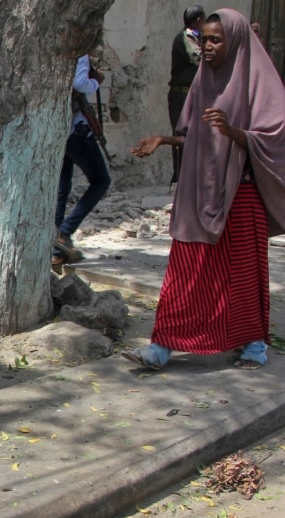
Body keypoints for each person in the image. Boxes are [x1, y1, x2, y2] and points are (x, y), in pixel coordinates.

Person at [125, 8, 285, 371]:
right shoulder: (203, 79)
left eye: (216, 39)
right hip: (200, 193)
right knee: (187, 267)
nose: (207, 47)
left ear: (236, 41)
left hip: (242, 196)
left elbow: (276, 139)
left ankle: (253, 343)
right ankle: (162, 345)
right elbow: (197, 136)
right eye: (204, 39)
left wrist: (234, 132)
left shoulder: (260, 83)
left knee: (242, 273)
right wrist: (164, 140)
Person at [52, 53, 111, 266]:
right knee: (101, 180)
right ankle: (64, 233)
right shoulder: (78, 50)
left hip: (58, 128)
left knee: (61, 189)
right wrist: (96, 82)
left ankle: (56, 249)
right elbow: (80, 83)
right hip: (75, 128)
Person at [168, 5, 205, 187]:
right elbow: (199, 60)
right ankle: (179, 178)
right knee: (180, 136)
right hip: (181, 96)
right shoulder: (186, 38)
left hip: (190, 94)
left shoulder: (196, 37)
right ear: (199, 20)